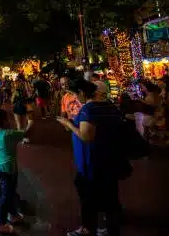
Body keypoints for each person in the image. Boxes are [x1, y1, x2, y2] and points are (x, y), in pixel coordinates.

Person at [57, 81, 124, 236]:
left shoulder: (89, 109)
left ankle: (91, 227)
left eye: (77, 93)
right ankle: (108, 227)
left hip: (91, 162)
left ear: (84, 92)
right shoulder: (111, 107)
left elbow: (86, 136)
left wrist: (68, 123)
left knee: (89, 197)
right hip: (110, 159)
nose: (76, 95)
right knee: (110, 196)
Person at [0, 108, 33, 234]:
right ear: (4, 121)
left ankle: (13, 215)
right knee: (7, 194)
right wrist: (30, 122)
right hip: (8, 169)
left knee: (10, 191)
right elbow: (25, 133)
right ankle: (0, 222)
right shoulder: (9, 134)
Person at [11, 74, 31, 141]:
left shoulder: (16, 91)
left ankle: (20, 137)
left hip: (17, 107)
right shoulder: (26, 88)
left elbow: (12, 100)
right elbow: (29, 95)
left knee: (18, 123)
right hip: (24, 106)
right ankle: (23, 135)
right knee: (24, 123)